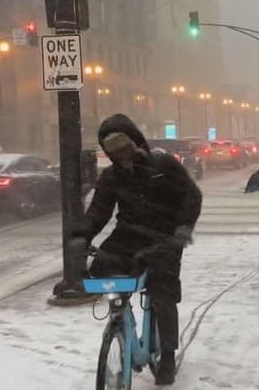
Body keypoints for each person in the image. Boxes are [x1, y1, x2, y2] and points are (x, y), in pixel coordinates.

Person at [77, 114, 202, 386]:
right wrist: (81, 237)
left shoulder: (163, 165)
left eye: (122, 144)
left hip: (165, 237)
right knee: (103, 268)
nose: (120, 153)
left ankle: (167, 354)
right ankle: (121, 325)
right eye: (112, 149)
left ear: (134, 140)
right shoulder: (111, 176)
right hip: (128, 235)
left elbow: (192, 196)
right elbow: (99, 211)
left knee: (162, 290)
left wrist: (182, 229)